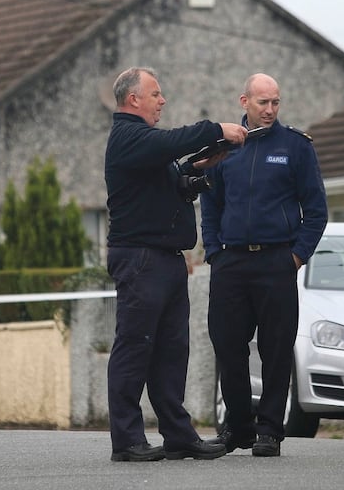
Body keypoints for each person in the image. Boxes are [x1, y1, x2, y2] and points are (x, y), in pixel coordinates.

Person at [104, 66, 248, 462]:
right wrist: (217, 128)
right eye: (155, 94)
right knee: (135, 348)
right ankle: (128, 441)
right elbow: (172, 143)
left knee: (171, 351)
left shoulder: (145, 146)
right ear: (133, 99)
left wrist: (196, 168)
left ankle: (178, 435)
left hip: (165, 260)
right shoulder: (130, 137)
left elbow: (171, 176)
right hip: (140, 259)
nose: (162, 100)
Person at [199, 73, 327, 457]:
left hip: (277, 261)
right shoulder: (224, 147)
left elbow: (316, 211)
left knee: (276, 348)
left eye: (275, 102)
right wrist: (214, 252)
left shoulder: (296, 147)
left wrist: (295, 257)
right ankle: (238, 428)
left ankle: (270, 430)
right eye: (262, 103)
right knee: (228, 345)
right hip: (231, 262)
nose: (270, 110)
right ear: (244, 102)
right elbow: (210, 204)